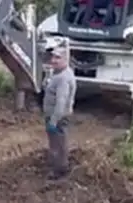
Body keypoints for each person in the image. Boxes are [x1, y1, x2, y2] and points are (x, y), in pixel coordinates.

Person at [42, 38, 76, 180]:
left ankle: (59, 171)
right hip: (55, 116)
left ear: (65, 59)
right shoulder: (58, 74)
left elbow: (61, 101)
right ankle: (58, 165)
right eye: (53, 57)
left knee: (58, 144)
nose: (54, 60)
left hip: (58, 117)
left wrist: (54, 121)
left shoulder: (63, 78)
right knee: (57, 143)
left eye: (58, 58)